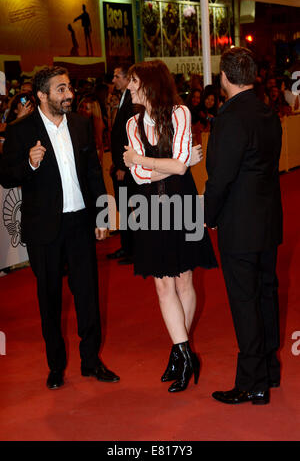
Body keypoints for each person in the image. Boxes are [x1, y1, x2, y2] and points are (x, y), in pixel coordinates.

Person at [2, 66, 119, 390]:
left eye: (68, 88)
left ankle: (91, 361)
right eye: (60, 89)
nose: (68, 95)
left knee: (88, 296)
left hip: (80, 222)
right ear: (42, 95)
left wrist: (101, 216)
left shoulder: (82, 125)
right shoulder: (21, 131)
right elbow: (6, 175)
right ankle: (56, 366)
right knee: (49, 299)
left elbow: (95, 173)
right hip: (44, 228)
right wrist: (30, 162)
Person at [123, 60, 217, 393]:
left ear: (150, 83)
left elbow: (175, 167)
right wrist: (171, 165)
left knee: (184, 278)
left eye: (134, 81)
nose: (129, 87)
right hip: (150, 207)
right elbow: (142, 176)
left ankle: (179, 352)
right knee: (163, 285)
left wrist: (144, 161)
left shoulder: (180, 113)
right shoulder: (132, 124)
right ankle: (185, 352)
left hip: (182, 201)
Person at [204, 47, 283, 405]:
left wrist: (208, 215)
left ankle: (253, 382)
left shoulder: (230, 117)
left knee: (245, 301)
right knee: (265, 293)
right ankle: (269, 369)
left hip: (240, 223)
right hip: (268, 219)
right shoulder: (268, 112)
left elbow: (220, 178)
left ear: (225, 77)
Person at [107, 64, 136, 265]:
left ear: (127, 78)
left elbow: (129, 136)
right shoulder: (123, 98)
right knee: (124, 208)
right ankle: (127, 246)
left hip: (126, 168)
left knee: (130, 208)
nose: (113, 80)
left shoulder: (132, 100)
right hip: (119, 164)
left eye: (117, 76)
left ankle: (133, 250)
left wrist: (122, 166)